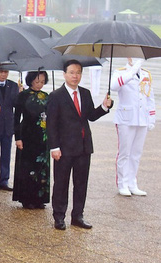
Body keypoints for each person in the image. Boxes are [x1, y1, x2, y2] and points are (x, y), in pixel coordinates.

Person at [46, 60, 112, 230]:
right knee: (61, 183)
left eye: (78, 73)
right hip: (64, 148)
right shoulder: (56, 96)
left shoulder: (85, 93)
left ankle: (78, 216)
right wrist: (54, 147)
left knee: (81, 183)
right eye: (72, 72)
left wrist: (104, 107)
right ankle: (59, 217)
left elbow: (90, 116)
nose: (75, 76)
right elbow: (51, 124)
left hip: (83, 146)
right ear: (65, 74)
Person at [111, 58, 155, 197]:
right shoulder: (120, 72)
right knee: (124, 153)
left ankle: (132, 183)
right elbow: (114, 86)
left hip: (142, 118)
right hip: (126, 118)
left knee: (136, 153)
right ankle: (122, 184)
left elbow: (150, 97)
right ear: (128, 57)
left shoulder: (146, 74)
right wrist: (132, 71)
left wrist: (151, 117)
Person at [12, 71, 50, 209]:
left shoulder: (47, 97)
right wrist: (18, 138)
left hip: (42, 135)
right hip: (27, 134)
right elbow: (16, 118)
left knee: (42, 167)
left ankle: (40, 198)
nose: (39, 84)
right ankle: (26, 198)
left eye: (42, 81)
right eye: (37, 81)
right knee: (27, 167)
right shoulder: (22, 96)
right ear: (31, 80)